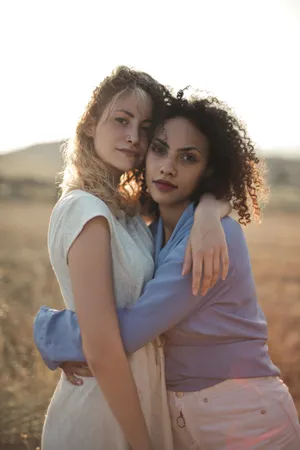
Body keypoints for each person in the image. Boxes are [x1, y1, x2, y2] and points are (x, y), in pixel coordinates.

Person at [35, 90, 300, 449]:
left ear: (208, 170)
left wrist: (49, 331)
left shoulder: (210, 241)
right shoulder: (154, 232)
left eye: (187, 158)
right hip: (187, 421)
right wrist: (211, 205)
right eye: (159, 149)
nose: (168, 167)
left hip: (246, 418)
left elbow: (128, 331)